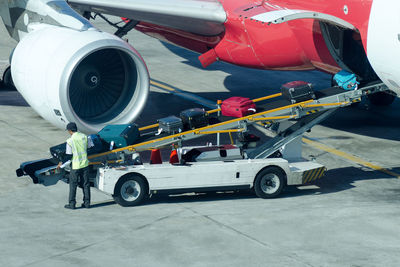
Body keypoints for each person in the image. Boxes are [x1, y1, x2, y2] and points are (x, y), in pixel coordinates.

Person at [57, 122, 93, 209]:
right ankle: (87, 203)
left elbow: (69, 156)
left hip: (76, 166)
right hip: (85, 164)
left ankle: (72, 204)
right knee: (86, 184)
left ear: (70, 131)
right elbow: (90, 146)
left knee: (73, 184)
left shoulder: (70, 141)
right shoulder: (85, 136)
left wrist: (61, 164)